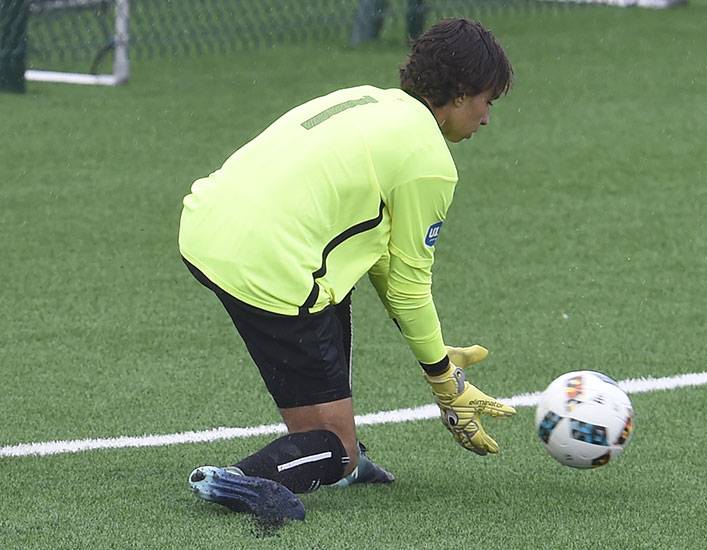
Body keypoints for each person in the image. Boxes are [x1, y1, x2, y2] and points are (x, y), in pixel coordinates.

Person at [178, 18, 516, 523]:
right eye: (488, 100)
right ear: (462, 93)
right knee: (339, 447)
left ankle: (339, 454)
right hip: (268, 262)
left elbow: (378, 252)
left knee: (337, 288)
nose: (488, 118)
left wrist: (434, 352)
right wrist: (444, 381)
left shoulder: (369, 99)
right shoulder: (430, 162)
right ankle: (242, 479)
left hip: (206, 225)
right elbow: (407, 285)